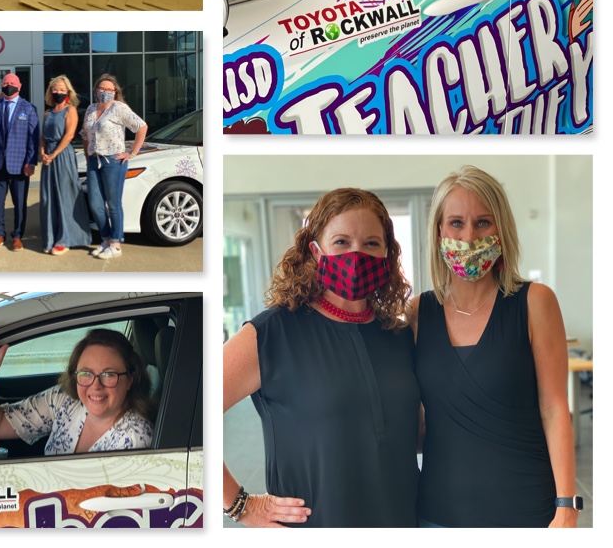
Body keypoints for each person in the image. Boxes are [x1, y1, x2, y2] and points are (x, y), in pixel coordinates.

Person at [223, 188, 419, 527]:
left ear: (387, 254)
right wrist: (239, 505)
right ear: (316, 251)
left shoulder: (397, 336)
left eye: (371, 244)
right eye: (341, 242)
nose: (357, 255)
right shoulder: (272, 334)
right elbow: (194, 410)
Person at [411, 166, 580, 528]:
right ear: (439, 231)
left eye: (483, 222)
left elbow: (554, 408)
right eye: (456, 223)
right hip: (440, 512)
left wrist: (567, 505)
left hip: (526, 509)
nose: (469, 236)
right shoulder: (416, 314)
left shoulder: (535, 302)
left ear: (501, 230)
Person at [0, 319, 154, 454]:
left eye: (108, 375)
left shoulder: (136, 438)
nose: (95, 385)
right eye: (86, 373)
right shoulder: (65, 400)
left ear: (130, 378)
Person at [81, 74, 147, 260]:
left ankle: (116, 244)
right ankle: (106, 239)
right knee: (95, 203)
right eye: (102, 89)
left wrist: (132, 153)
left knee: (113, 204)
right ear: (96, 91)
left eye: (110, 90)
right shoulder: (91, 109)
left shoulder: (119, 108)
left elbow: (141, 127)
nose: (105, 92)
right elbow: (85, 135)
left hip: (113, 162)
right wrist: (88, 157)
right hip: (94, 161)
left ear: (115, 92)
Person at [0, 73, 39, 252]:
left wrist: (31, 162)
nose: (8, 85)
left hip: (20, 165)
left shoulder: (29, 108)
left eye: (12, 83)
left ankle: (17, 236)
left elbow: (33, 138)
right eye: (5, 82)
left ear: (19, 86)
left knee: (20, 203)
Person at [39, 75, 91, 256]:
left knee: (65, 196)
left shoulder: (71, 111)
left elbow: (69, 136)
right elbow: (43, 137)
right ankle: (50, 237)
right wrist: (43, 153)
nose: (58, 92)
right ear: (50, 91)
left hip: (62, 156)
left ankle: (65, 239)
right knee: (48, 198)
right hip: (49, 159)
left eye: (62, 89)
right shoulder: (47, 113)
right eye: (55, 89)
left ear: (68, 92)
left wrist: (53, 154)